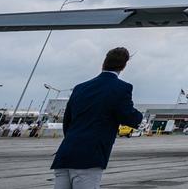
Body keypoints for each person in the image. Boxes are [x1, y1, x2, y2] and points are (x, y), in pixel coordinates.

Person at [51, 47, 143, 189]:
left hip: (65, 154)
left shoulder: (80, 87)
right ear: (124, 66)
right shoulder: (121, 88)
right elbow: (128, 116)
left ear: (103, 63)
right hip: (89, 157)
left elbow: (67, 121)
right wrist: (139, 116)